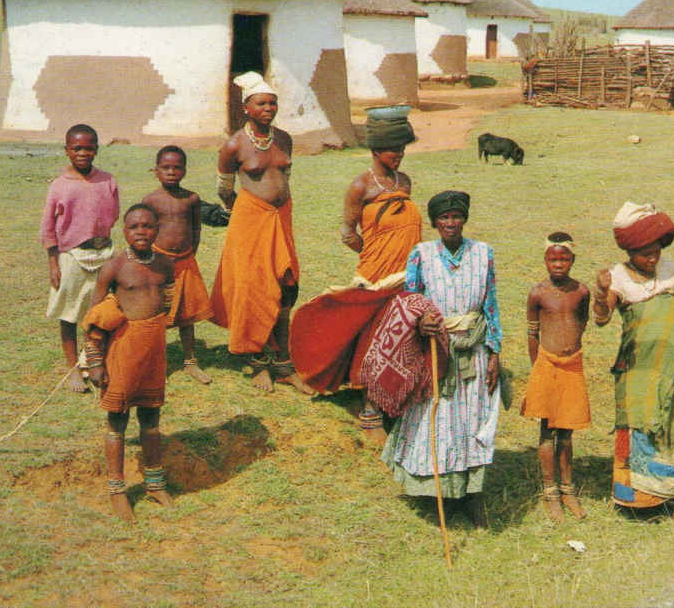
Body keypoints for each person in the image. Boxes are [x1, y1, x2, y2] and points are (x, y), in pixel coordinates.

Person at [290, 109, 420, 441]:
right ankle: (369, 410)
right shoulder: (360, 186)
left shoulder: (403, 182)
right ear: (376, 150)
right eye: (394, 151)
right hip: (375, 275)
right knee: (373, 339)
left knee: (404, 339)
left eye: (403, 150)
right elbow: (348, 232)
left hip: (408, 274)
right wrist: (374, 255)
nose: (400, 156)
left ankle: (398, 398)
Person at [381, 191, 502, 528]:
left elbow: (491, 306)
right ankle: (444, 498)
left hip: (474, 353)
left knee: (473, 422)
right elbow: (409, 302)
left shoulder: (483, 254)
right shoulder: (421, 255)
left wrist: (494, 354)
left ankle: (472, 496)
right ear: (434, 222)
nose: (451, 223)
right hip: (437, 352)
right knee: (442, 421)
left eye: (456, 216)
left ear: (464, 219)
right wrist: (421, 321)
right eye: (444, 218)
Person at [594, 202, 674, 508]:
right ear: (630, 252)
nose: (653, 257)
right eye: (645, 252)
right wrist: (600, 292)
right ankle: (640, 498)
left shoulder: (669, 269)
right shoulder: (619, 276)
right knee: (640, 422)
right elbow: (602, 318)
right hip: (639, 369)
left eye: (656, 250)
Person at [209, 72, 312, 394]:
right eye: (261, 103)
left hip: (282, 218)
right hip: (250, 220)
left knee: (286, 286)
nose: (269, 108)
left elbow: (286, 176)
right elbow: (224, 189)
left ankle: (284, 364)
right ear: (246, 108)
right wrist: (244, 212)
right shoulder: (233, 145)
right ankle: (258, 362)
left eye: (273, 103)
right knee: (254, 289)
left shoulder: (283, 139)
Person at [82, 204, 175, 521]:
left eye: (148, 226)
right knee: (118, 420)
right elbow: (94, 318)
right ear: (124, 230)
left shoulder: (165, 264)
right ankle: (117, 490)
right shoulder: (114, 267)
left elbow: (169, 300)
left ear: (157, 230)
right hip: (122, 348)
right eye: (134, 226)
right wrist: (95, 361)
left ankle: (154, 483)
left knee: (151, 416)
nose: (141, 232)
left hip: (153, 350)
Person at [40, 123, 120, 394]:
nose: (83, 153)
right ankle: (73, 368)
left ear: (97, 149)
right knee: (70, 313)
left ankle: (94, 361)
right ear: (67, 151)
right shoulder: (60, 186)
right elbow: (48, 227)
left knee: (100, 311)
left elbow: (112, 215)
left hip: (103, 253)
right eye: (77, 148)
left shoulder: (107, 181)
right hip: (72, 256)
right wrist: (54, 262)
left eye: (88, 148)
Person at [521, 232, 591, 521]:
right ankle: (550, 492)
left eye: (564, 259)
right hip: (546, 365)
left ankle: (568, 489)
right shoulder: (538, 293)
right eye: (553, 259)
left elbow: (582, 321)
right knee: (547, 429)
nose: (558, 264)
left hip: (572, 364)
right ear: (545, 260)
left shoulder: (582, 292)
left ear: (573, 260)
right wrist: (538, 367)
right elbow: (532, 332)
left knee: (567, 430)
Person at [143, 145, 213, 384]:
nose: (171, 172)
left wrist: (190, 253)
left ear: (184, 170)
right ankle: (153, 362)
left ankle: (190, 361)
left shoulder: (191, 199)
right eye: (166, 167)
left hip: (185, 262)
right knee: (156, 312)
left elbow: (196, 228)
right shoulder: (151, 200)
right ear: (156, 171)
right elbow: (145, 230)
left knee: (187, 314)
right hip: (158, 263)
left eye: (177, 167)